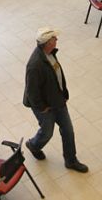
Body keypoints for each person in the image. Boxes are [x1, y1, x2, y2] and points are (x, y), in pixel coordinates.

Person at [22, 27, 89, 173]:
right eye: (54, 39)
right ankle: (33, 145)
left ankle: (71, 160)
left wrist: (63, 94)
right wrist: (42, 107)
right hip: (44, 105)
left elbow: (56, 76)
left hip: (57, 100)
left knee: (68, 130)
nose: (56, 40)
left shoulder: (50, 54)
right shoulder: (35, 65)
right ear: (47, 43)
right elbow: (31, 92)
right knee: (47, 132)